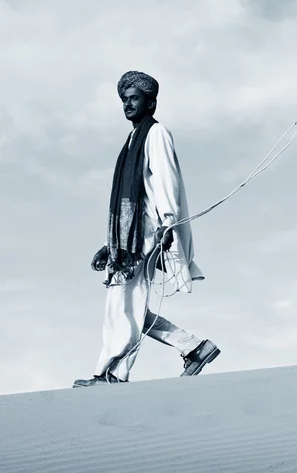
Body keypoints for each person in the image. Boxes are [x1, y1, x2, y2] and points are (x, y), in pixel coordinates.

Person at [73, 71, 219, 387]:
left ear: (150, 102)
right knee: (126, 305)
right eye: (124, 99)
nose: (127, 104)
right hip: (128, 238)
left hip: (149, 232)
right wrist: (108, 244)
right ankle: (193, 347)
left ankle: (112, 375)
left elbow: (166, 180)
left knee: (123, 304)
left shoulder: (155, 134)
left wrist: (168, 223)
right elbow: (130, 200)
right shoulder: (132, 140)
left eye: (134, 98)